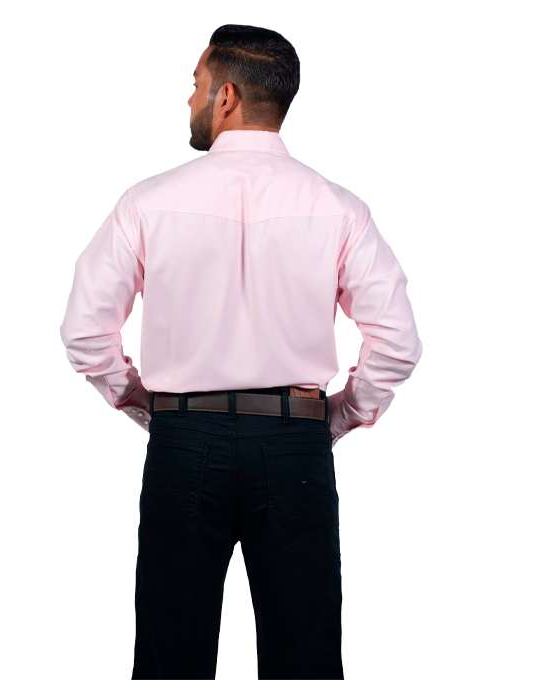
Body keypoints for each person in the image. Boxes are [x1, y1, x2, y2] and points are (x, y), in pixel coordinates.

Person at [59, 23, 423, 680]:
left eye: (196, 85)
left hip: (184, 444)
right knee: (305, 657)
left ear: (225, 96)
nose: (189, 100)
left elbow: (86, 332)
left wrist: (147, 405)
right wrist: (333, 417)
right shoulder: (338, 207)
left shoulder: (148, 202)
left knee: (171, 655)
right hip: (294, 447)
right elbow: (396, 340)